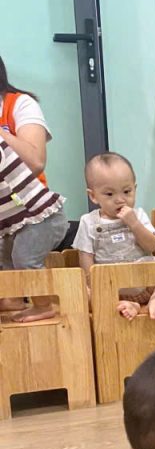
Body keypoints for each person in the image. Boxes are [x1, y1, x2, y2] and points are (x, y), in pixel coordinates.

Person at [0, 55, 68, 321]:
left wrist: (2, 133)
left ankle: (44, 304)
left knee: (24, 258)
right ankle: (13, 298)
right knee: (8, 260)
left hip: (32, 211)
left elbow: (36, 162)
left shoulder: (19, 103)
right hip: (7, 215)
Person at [73, 151, 155, 318]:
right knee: (78, 292)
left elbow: (151, 246)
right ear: (93, 196)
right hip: (108, 291)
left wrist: (134, 223)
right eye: (109, 194)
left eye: (127, 191)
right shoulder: (89, 222)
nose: (120, 199)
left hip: (144, 285)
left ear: (135, 189)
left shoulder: (139, 215)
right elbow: (85, 258)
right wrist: (93, 287)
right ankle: (132, 307)